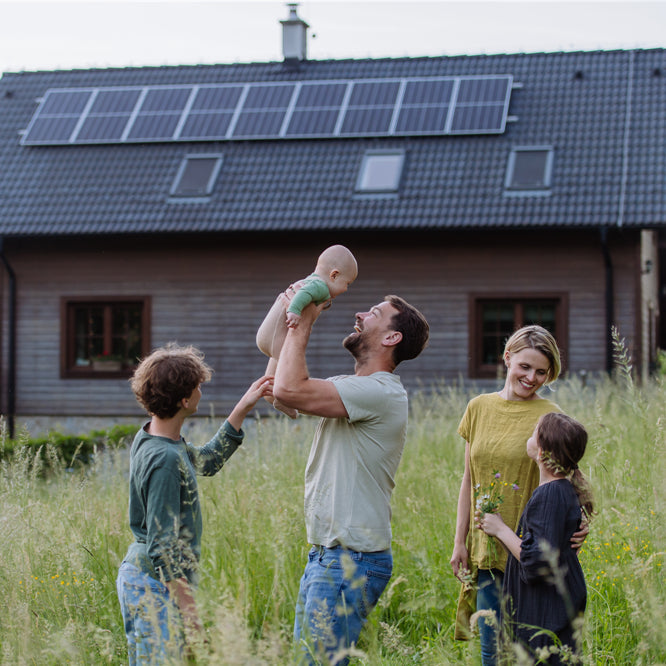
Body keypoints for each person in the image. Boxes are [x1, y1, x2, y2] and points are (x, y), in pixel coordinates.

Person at [273, 292, 430, 665]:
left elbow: (288, 389)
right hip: (329, 556)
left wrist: (306, 320)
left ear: (392, 338)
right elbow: (278, 381)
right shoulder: (353, 387)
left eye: (374, 313)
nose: (360, 314)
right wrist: (288, 309)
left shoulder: (380, 392)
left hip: (350, 559)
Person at [115, 342, 272, 664]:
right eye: (198, 386)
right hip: (154, 582)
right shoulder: (164, 459)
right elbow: (163, 547)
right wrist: (192, 616)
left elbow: (207, 462)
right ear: (185, 400)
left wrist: (242, 407)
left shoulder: (152, 437)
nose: (202, 390)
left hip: (151, 578)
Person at [450, 325, 588, 666]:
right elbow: (469, 479)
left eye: (542, 372)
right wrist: (460, 541)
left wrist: (581, 519)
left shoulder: (548, 415)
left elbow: (568, 474)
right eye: (525, 367)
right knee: (491, 651)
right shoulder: (478, 408)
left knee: (528, 651)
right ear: (507, 358)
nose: (532, 378)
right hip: (488, 548)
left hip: (529, 554)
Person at [476, 412, 593, 663]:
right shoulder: (561, 490)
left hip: (546, 611)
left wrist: (500, 529)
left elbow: (536, 559)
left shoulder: (548, 495)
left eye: (533, 433)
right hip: (557, 603)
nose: (529, 436)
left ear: (542, 453)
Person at [256, 244, 358, 418]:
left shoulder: (310, 281)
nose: (346, 289)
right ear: (334, 275)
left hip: (267, 336)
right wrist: (294, 311)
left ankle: (270, 394)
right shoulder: (319, 286)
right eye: (346, 283)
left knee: (274, 374)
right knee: (290, 365)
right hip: (276, 339)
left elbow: (307, 294)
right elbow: (303, 295)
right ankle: (282, 400)